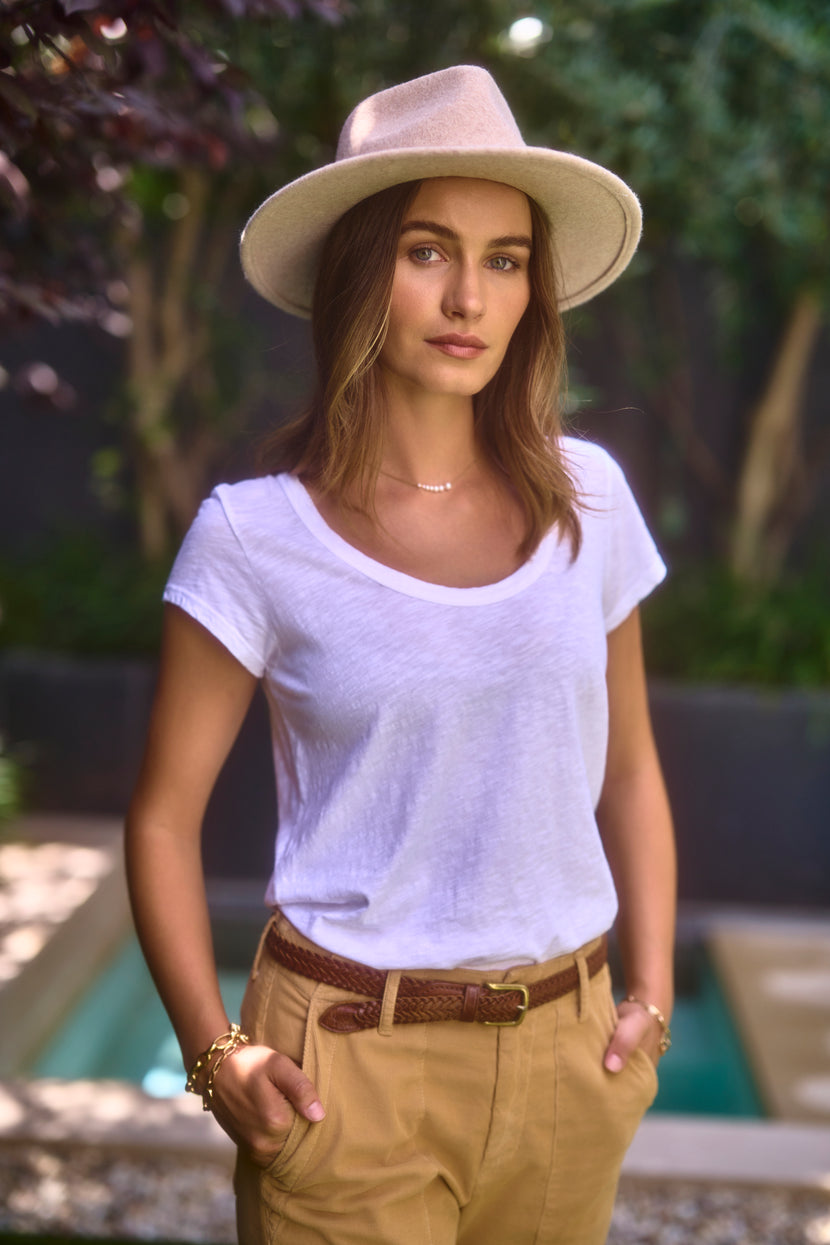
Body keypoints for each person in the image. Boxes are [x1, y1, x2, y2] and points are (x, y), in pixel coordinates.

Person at [125, 65, 676, 1245]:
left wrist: (653, 989)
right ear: (358, 269)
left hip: (567, 1053)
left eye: (503, 258)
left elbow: (628, 769)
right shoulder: (253, 535)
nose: (466, 295)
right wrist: (212, 1048)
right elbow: (163, 819)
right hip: (347, 1066)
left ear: (533, 290)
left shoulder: (592, 500)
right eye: (427, 250)